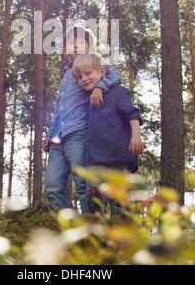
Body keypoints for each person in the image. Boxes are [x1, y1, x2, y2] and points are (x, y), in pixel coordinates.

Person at [43, 25, 123, 213]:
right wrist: (50, 133)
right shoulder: (66, 75)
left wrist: (99, 87)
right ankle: (65, 227)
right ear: (65, 50)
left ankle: (91, 230)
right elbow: (60, 109)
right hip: (57, 138)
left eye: (81, 42)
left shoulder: (93, 68)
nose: (76, 45)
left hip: (79, 133)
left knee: (83, 184)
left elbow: (116, 76)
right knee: (52, 186)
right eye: (71, 42)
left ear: (90, 47)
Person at [71, 53, 143, 214]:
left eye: (88, 73)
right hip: (94, 159)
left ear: (102, 72)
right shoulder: (85, 99)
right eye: (79, 77)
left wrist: (136, 135)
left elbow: (132, 114)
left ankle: (122, 235)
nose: (83, 79)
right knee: (95, 202)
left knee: (121, 204)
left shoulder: (118, 92)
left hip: (118, 156)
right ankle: (97, 232)